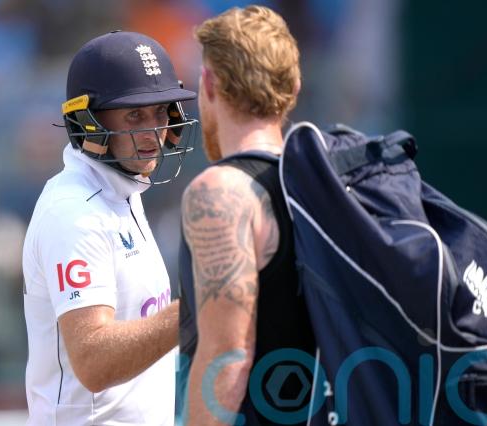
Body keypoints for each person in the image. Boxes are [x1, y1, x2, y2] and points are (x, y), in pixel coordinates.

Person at [22, 30, 198, 425]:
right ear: (88, 121)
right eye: (134, 115)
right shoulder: (73, 213)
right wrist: (196, 310)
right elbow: (94, 361)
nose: (153, 132)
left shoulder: (121, 190)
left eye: (160, 112)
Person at [179, 6, 316, 425]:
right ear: (294, 87)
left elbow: (227, 356)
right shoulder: (325, 184)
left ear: (209, 83)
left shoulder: (221, 192)